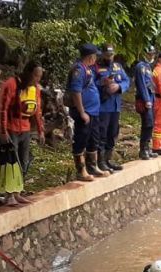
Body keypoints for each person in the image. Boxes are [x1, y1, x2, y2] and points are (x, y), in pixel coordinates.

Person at [0, 60, 45, 206]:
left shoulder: (35, 89)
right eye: (36, 76)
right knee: (12, 162)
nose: (37, 79)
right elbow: (3, 109)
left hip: (25, 129)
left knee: (23, 162)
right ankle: (9, 194)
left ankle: (17, 191)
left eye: (40, 77)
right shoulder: (12, 84)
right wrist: (3, 131)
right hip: (12, 128)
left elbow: (37, 111)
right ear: (28, 73)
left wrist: (40, 130)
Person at [67, 44, 106, 181]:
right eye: (95, 56)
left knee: (93, 139)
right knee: (81, 139)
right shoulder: (78, 70)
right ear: (90, 57)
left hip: (93, 111)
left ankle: (92, 166)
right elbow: (76, 92)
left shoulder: (88, 69)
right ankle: (81, 169)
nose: (96, 58)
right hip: (85, 112)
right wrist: (82, 112)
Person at [95, 44, 129, 173]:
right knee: (102, 134)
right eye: (107, 55)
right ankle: (100, 161)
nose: (109, 57)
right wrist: (102, 83)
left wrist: (119, 87)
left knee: (113, 133)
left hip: (115, 106)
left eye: (111, 55)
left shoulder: (117, 66)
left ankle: (108, 159)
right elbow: (91, 83)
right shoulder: (97, 67)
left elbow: (126, 80)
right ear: (102, 54)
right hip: (103, 107)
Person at [134, 46, 158, 160]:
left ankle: (147, 148)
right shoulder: (140, 67)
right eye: (149, 54)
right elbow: (141, 84)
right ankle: (143, 150)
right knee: (147, 123)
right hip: (145, 99)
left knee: (151, 123)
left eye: (152, 54)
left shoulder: (148, 67)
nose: (151, 56)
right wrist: (146, 99)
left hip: (151, 97)